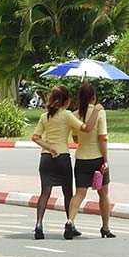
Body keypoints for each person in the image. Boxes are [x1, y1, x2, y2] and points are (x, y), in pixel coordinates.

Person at [31, 86, 91, 239]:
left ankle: (38, 224)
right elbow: (84, 128)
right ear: (67, 101)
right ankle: (70, 223)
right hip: (62, 158)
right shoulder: (67, 115)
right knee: (67, 193)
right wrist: (94, 112)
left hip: (45, 158)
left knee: (45, 193)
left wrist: (49, 147)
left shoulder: (45, 117)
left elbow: (35, 137)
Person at [66, 82, 115, 238]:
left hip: (81, 158)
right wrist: (105, 160)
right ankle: (105, 227)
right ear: (94, 97)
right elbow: (102, 139)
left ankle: (70, 221)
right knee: (103, 194)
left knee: (79, 193)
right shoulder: (100, 112)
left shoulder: (74, 115)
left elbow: (75, 139)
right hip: (97, 159)